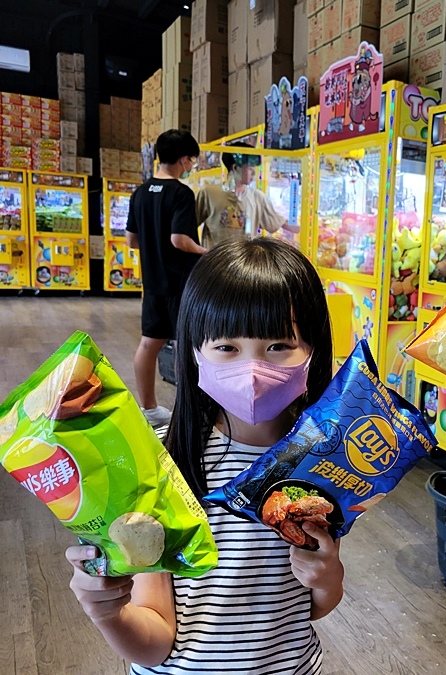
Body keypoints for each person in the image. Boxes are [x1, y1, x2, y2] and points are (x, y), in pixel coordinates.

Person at [65, 238, 342, 674]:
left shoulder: (321, 462)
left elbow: (311, 607)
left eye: (278, 346)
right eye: (227, 347)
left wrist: (327, 577)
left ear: (314, 349)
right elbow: (155, 640)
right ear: (194, 352)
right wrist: (107, 613)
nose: (251, 371)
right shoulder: (158, 461)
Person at [126, 129, 207, 427]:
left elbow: (131, 240)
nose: (191, 165)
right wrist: (205, 252)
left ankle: (149, 409)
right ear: (184, 159)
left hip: (153, 282)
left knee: (149, 343)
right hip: (181, 283)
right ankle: (193, 411)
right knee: (191, 346)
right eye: (192, 160)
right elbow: (179, 239)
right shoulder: (182, 193)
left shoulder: (140, 192)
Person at [195, 143, 299, 249]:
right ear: (235, 168)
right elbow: (189, 227)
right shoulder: (208, 194)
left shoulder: (258, 198)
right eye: (250, 168)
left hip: (244, 262)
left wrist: (305, 228)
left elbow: (279, 222)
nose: (254, 173)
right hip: (215, 262)